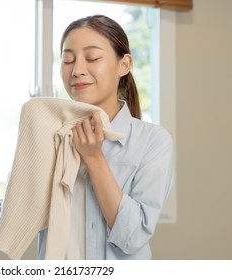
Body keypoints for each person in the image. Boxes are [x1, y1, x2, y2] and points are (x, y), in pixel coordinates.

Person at [37, 14, 174, 260]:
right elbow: (28, 215)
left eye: (92, 58)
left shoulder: (153, 141)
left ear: (124, 64)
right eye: (68, 60)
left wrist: (94, 157)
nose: (77, 70)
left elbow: (133, 238)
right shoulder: (51, 136)